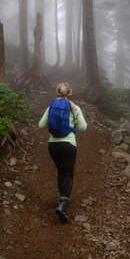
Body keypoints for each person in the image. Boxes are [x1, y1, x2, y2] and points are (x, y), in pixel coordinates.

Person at [38, 82, 87, 223]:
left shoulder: (51, 106)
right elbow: (83, 127)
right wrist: (75, 118)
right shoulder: (74, 108)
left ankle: (62, 198)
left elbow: (40, 125)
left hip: (53, 145)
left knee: (61, 171)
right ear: (70, 93)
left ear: (57, 92)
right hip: (68, 144)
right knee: (68, 173)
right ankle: (63, 204)